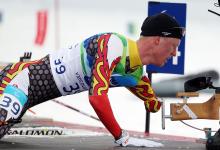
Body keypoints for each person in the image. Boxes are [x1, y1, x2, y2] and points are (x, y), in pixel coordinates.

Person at [0, 13, 184, 147]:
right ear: (158, 40)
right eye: (174, 46)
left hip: (27, 96)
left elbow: (152, 102)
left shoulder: (136, 75)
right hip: (19, 80)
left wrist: (164, 106)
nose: (175, 53)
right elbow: (97, 97)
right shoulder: (113, 44)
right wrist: (121, 136)